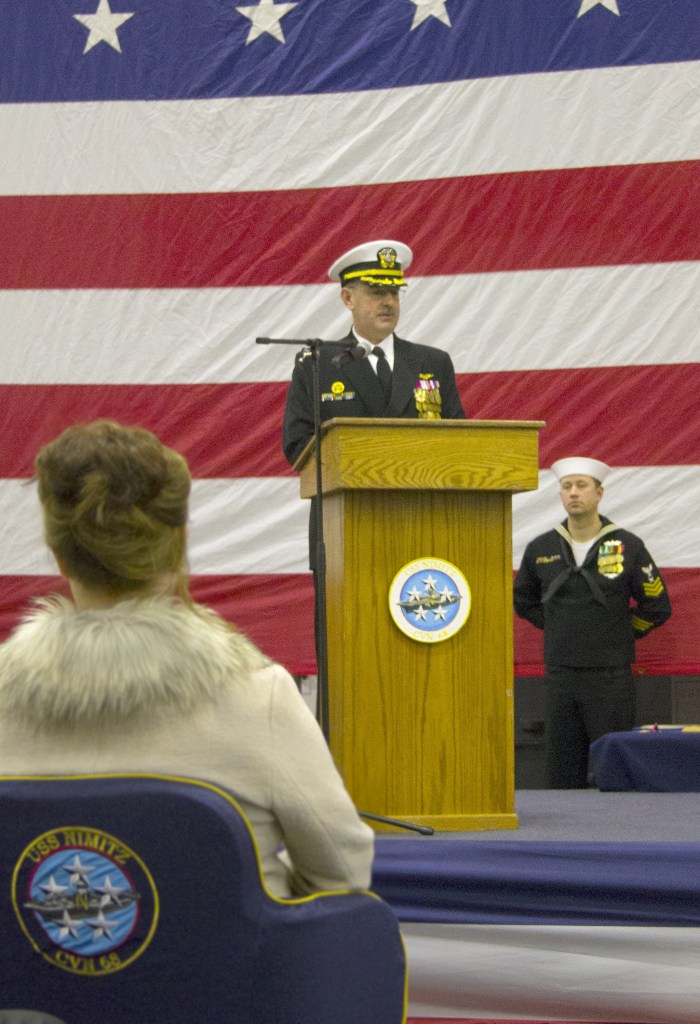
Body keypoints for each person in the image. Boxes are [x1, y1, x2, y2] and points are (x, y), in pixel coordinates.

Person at [0, 420, 373, 898]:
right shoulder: (259, 698)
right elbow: (343, 875)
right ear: (179, 544)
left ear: (59, 555)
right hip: (228, 949)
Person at [282, 239, 466, 598]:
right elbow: (297, 444)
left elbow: (458, 439)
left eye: (394, 293)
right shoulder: (317, 364)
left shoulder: (433, 363)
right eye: (377, 292)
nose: (388, 302)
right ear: (347, 298)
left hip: (421, 520)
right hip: (345, 525)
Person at [513, 456, 672, 789]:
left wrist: (617, 632)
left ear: (599, 493)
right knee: (562, 773)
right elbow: (523, 601)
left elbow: (657, 606)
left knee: (614, 771)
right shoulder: (541, 547)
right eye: (566, 486)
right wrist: (561, 626)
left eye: (581, 486)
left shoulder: (627, 546)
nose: (573, 493)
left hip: (610, 676)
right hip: (560, 676)